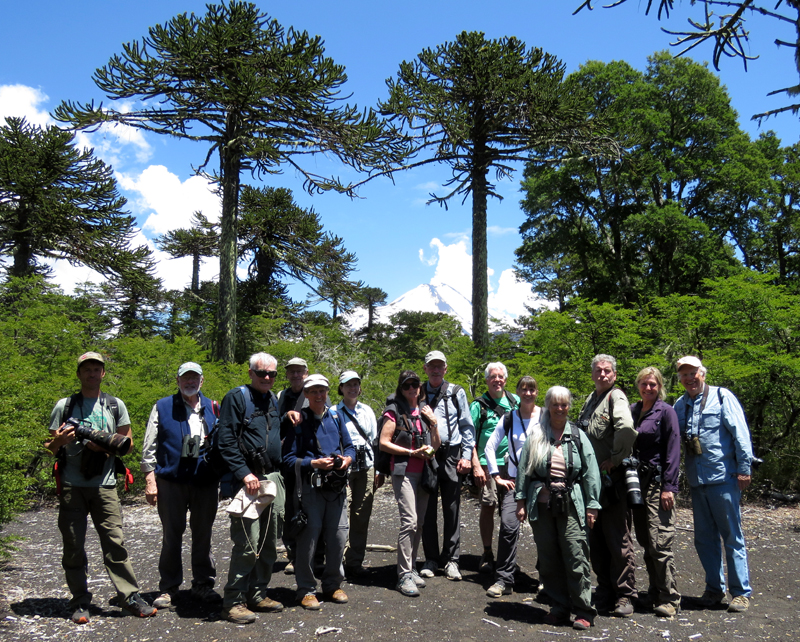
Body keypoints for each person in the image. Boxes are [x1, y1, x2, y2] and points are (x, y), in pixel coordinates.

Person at [46, 351, 156, 624]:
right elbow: (49, 447)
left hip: (105, 485)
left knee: (115, 543)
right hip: (72, 485)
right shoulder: (65, 406)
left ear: (103, 373)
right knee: (73, 545)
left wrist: (105, 446)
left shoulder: (114, 404)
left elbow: (127, 443)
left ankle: (129, 597)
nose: (92, 374)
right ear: (79, 374)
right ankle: (80, 601)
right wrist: (60, 440)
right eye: (87, 369)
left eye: (97, 369)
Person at [515, 386, 601, 631]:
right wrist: (520, 501)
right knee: (549, 558)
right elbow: (524, 469)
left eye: (564, 404)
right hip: (541, 505)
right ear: (548, 405)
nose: (560, 409)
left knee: (576, 555)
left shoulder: (577, 435)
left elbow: (591, 472)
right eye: (555, 404)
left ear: (568, 406)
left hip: (572, 503)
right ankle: (559, 607)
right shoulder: (537, 433)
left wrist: (592, 504)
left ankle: (584, 610)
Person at [673, 356, 755, 613]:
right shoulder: (680, 404)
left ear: (702, 373)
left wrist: (744, 469)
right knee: (704, 539)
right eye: (684, 375)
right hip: (697, 482)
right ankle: (714, 589)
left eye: (692, 373)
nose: (689, 379)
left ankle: (741, 593)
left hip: (724, 479)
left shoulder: (722, 397)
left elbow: (740, 434)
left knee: (732, 536)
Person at [141, 362, 220, 610]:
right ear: (177, 381)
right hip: (171, 481)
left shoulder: (214, 407)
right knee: (171, 536)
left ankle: (202, 584)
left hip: (204, 481)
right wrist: (150, 479)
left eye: (194, 378)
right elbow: (149, 446)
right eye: (185, 378)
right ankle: (169, 587)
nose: (190, 382)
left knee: (203, 535)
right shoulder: (163, 406)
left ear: (201, 381)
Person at [217, 352, 285, 624]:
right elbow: (226, 441)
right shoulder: (236, 398)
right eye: (261, 373)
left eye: (272, 374)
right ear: (250, 373)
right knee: (247, 544)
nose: (267, 378)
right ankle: (233, 602)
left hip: (272, 478)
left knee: (269, 542)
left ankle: (258, 594)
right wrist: (244, 473)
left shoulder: (273, 399)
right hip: (246, 482)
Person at [282, 374, 356, 610]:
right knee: (309, 540)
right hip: (310, 489)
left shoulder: (335, 416)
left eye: (322, 391)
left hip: (336, 487)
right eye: (313, 391)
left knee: (337, 537)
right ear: (305, 394)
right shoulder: (299, 422)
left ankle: (333, 585)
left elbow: (351, 446)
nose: (318, 395)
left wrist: (347, 459)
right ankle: (306, 589)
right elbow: (287, 459)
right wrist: (313, 464)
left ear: (327, 393)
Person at [577, 354, 638, 617]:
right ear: (592, 374)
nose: (603, 374)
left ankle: (625, 595)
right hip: (591, 484)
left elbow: (626, 429)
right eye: (598, 370)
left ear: (614, 375)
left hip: (612, 483)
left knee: (617, 539)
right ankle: (605, 590)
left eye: (608, 371)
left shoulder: (616, 397)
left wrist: (615, 459)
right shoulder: (591, 400)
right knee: (597, 540)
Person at [379, 370, 440, 597]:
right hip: (403, 472)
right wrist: (411, 452)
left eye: (415, 384)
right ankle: (403, 574)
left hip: (424, 472)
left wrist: (433, 424)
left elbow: (436, 445)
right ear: (401, 389)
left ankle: (412, 567)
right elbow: (384, 443)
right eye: (407, 386)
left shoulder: (424, 411)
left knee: (420, 522)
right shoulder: (393, 411)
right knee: (409, 522)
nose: (412, 389)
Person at [629, 367, 681, 617]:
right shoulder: (633, 410)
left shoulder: (666, 412)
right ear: (638, 385)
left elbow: (673, 450)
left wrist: (669, 487)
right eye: (644, 384)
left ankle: (670, 597)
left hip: (658, 485)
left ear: (660, 387)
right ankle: (654, 592)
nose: (648, 388)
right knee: (646, 542)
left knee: (660, 543)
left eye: (653, 384)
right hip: (636, 485)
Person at [420, 350, 475, 581]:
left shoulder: (456, 392)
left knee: (452, 509)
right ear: (425, 368)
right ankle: (431, 559)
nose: (435, 369)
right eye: (431, 366)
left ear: (445, 368)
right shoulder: (418, 391)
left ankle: (452, 560)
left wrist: (466, 456)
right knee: (428, 509)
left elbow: (466, 425)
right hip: (427, 456)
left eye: (439, 366)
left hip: (452, 454)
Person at [483, 375, 540, 598]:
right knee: (508, 527)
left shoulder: (544, 416)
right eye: (523, 389)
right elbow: (490, 446)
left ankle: (546, 579)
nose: (527, 393)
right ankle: (504, 579)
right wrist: (496, 476)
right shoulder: (509, 418)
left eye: (532, 389)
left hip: (539, 484)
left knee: (543, 532)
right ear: (517, 392)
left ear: (537, 392)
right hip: (514, 482)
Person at [470, 362, 520, 576]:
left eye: (501, 376)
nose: (497, 380)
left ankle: (508, 557)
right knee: (488, 506)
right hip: (486, 463)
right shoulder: (478, 405)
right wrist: (475, 465)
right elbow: (469, 438)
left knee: (510, 511)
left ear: (506, 380)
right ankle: (487, 552)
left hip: (512, 464)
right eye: (493, 376)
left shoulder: (515, 401)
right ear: (487, 380)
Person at [336, 370, 381, 577]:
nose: (352, 388)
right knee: (341, 515)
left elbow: (375, 441)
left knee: (361, 514)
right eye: (348, 385)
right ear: (341, 388)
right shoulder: (335, 412)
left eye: (356, 384)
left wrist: (379, 468)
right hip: (344, 467)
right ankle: (337, 560)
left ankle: (355, 560)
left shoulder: (367, 411)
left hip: (367, 466)